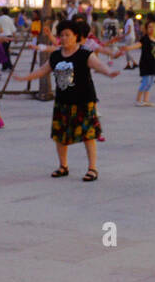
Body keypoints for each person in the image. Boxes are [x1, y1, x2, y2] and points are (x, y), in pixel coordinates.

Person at [15, 18, 120, 181]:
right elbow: (43, 70)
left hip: (84, 101)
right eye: (61, 35)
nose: (63, 38)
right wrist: (24, 78)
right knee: (60, 135)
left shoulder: (85, 54)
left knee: (88, 135)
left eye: (67, 35)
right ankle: (63, 166)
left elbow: (99, 65)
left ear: (76, 36)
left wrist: (109, 72)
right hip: (63, 102)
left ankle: (92, 168)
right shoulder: (56, 55)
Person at [115, 17, 155, 106]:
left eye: (153, 27)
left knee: (150, 83)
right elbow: (137, 45)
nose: (151, 29)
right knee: (145, 82)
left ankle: (146, 100)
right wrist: (127, 48)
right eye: (149, 27)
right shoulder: (145, 39)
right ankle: (138, 100)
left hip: (153, 64)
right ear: (146, 29)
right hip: (146, 63)